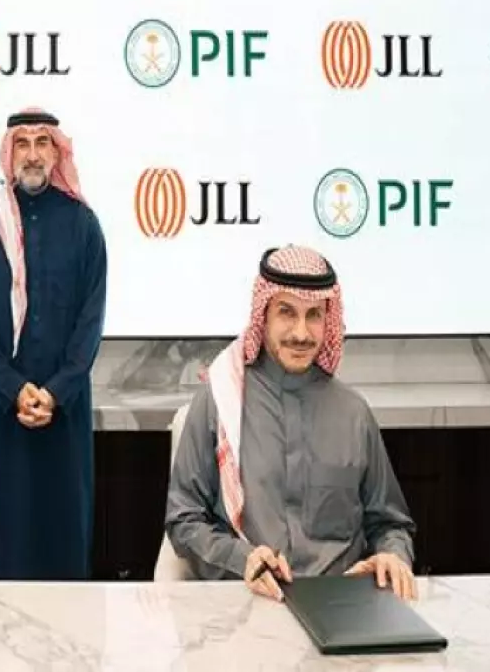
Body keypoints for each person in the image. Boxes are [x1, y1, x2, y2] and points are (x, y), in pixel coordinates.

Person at [165, 245, 417, 601]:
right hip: (245, 603)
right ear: (263, 315)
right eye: (286, 312)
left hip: (340, 604)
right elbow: (184, 520)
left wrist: (393, 554)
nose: (301, 333)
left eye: (314, 315)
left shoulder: (353, 413)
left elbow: (390, 523)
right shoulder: (220, 400)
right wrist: (242, 559)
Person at [0, 107, 108, 580]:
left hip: (64, 413)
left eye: (42, 142)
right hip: (1, 413)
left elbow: (90, 324)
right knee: (0, 547)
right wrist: (14, 389)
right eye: (21, 143)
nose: (31, 154)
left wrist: (56, 392)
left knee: (62, 546)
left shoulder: (85, 226)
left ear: (57, 152)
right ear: (9, 153)